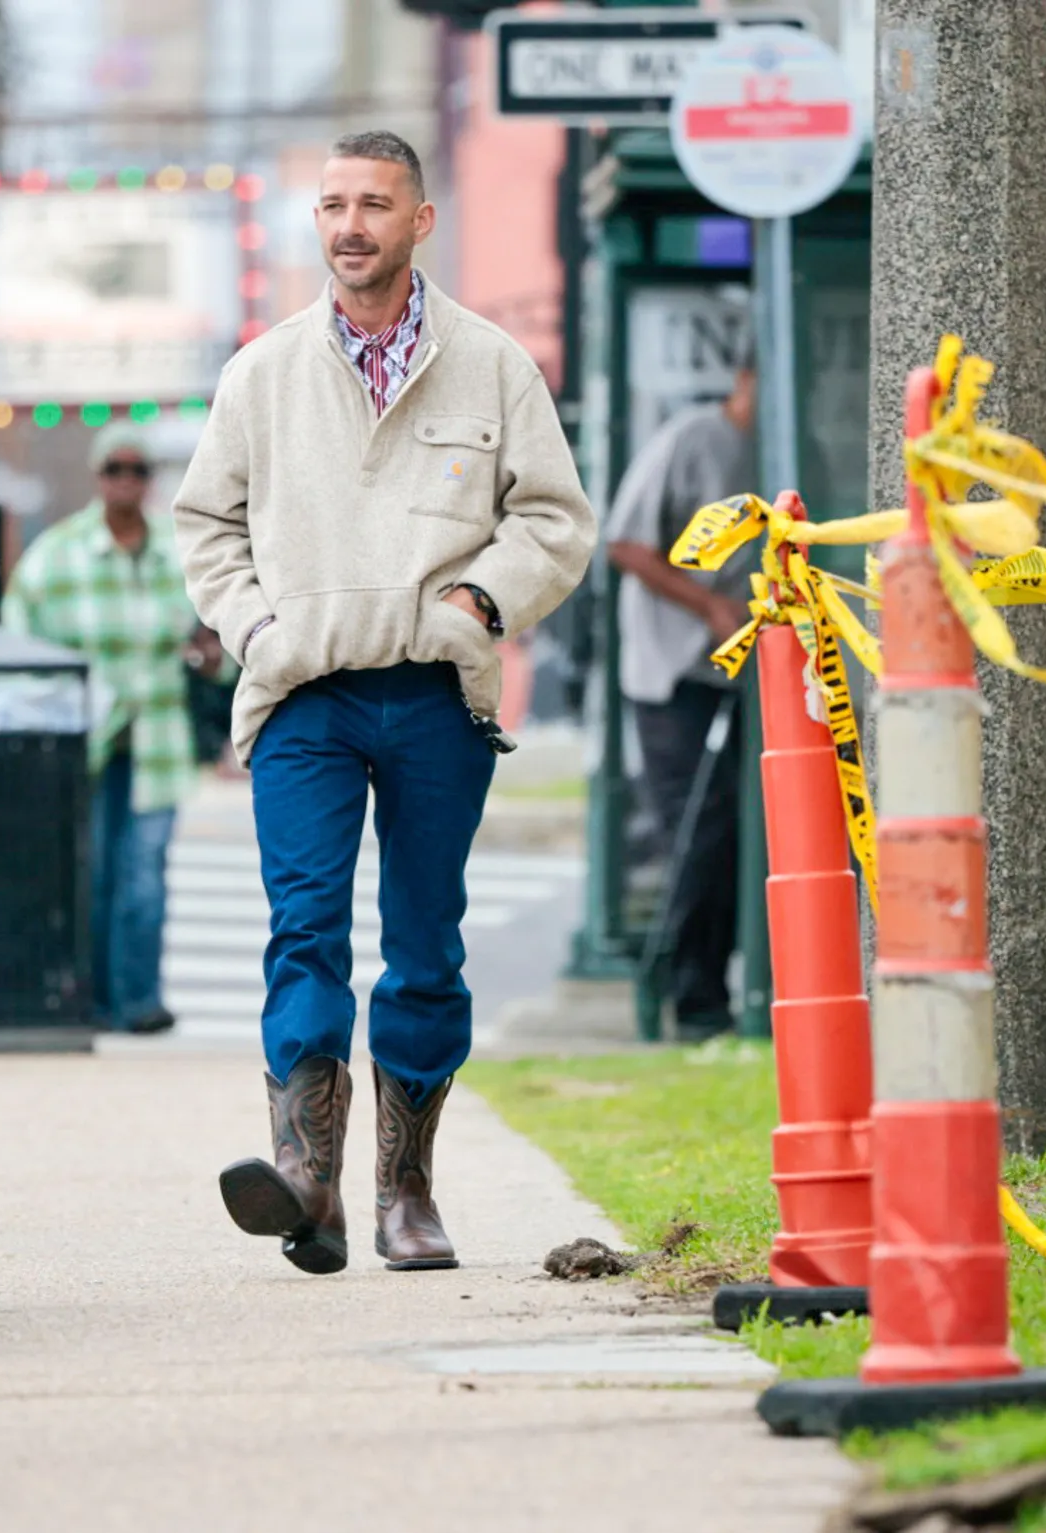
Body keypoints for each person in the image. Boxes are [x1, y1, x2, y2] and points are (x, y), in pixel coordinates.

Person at [174, 129, 595, 1275]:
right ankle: (304, 1176)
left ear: (419, 220)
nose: (348, 224)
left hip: (432, 692)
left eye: (373, 203)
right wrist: (255, 627)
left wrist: (477, 602)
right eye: (330, 205)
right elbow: (204, 524)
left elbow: (554, 519)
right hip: (300, 694)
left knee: (423, 946)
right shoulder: (260, 373)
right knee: (302, 932)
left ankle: (404, 1192)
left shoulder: (492, 362)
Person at [3, 423, 225, 1037]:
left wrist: (212, 660)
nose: (126, 481)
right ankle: (91, 1000)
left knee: (144, 876)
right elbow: (18, 641)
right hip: (83, 744)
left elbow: (224, 643)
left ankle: (140, 1001)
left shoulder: (180, 553)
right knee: (90, 873)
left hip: (156, 742)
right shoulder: (56, 554)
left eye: (138, 471)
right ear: (98, 478)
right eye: (115, 470)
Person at [603, 345, 760, 1042]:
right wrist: (708, 606)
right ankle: (690, 999)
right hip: (674, 670)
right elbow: (626, 544)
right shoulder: (695, 438)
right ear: (748, 379)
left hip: (745, 670)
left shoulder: (789, 443)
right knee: (701, 828)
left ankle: (720, 988)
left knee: (741, 832)